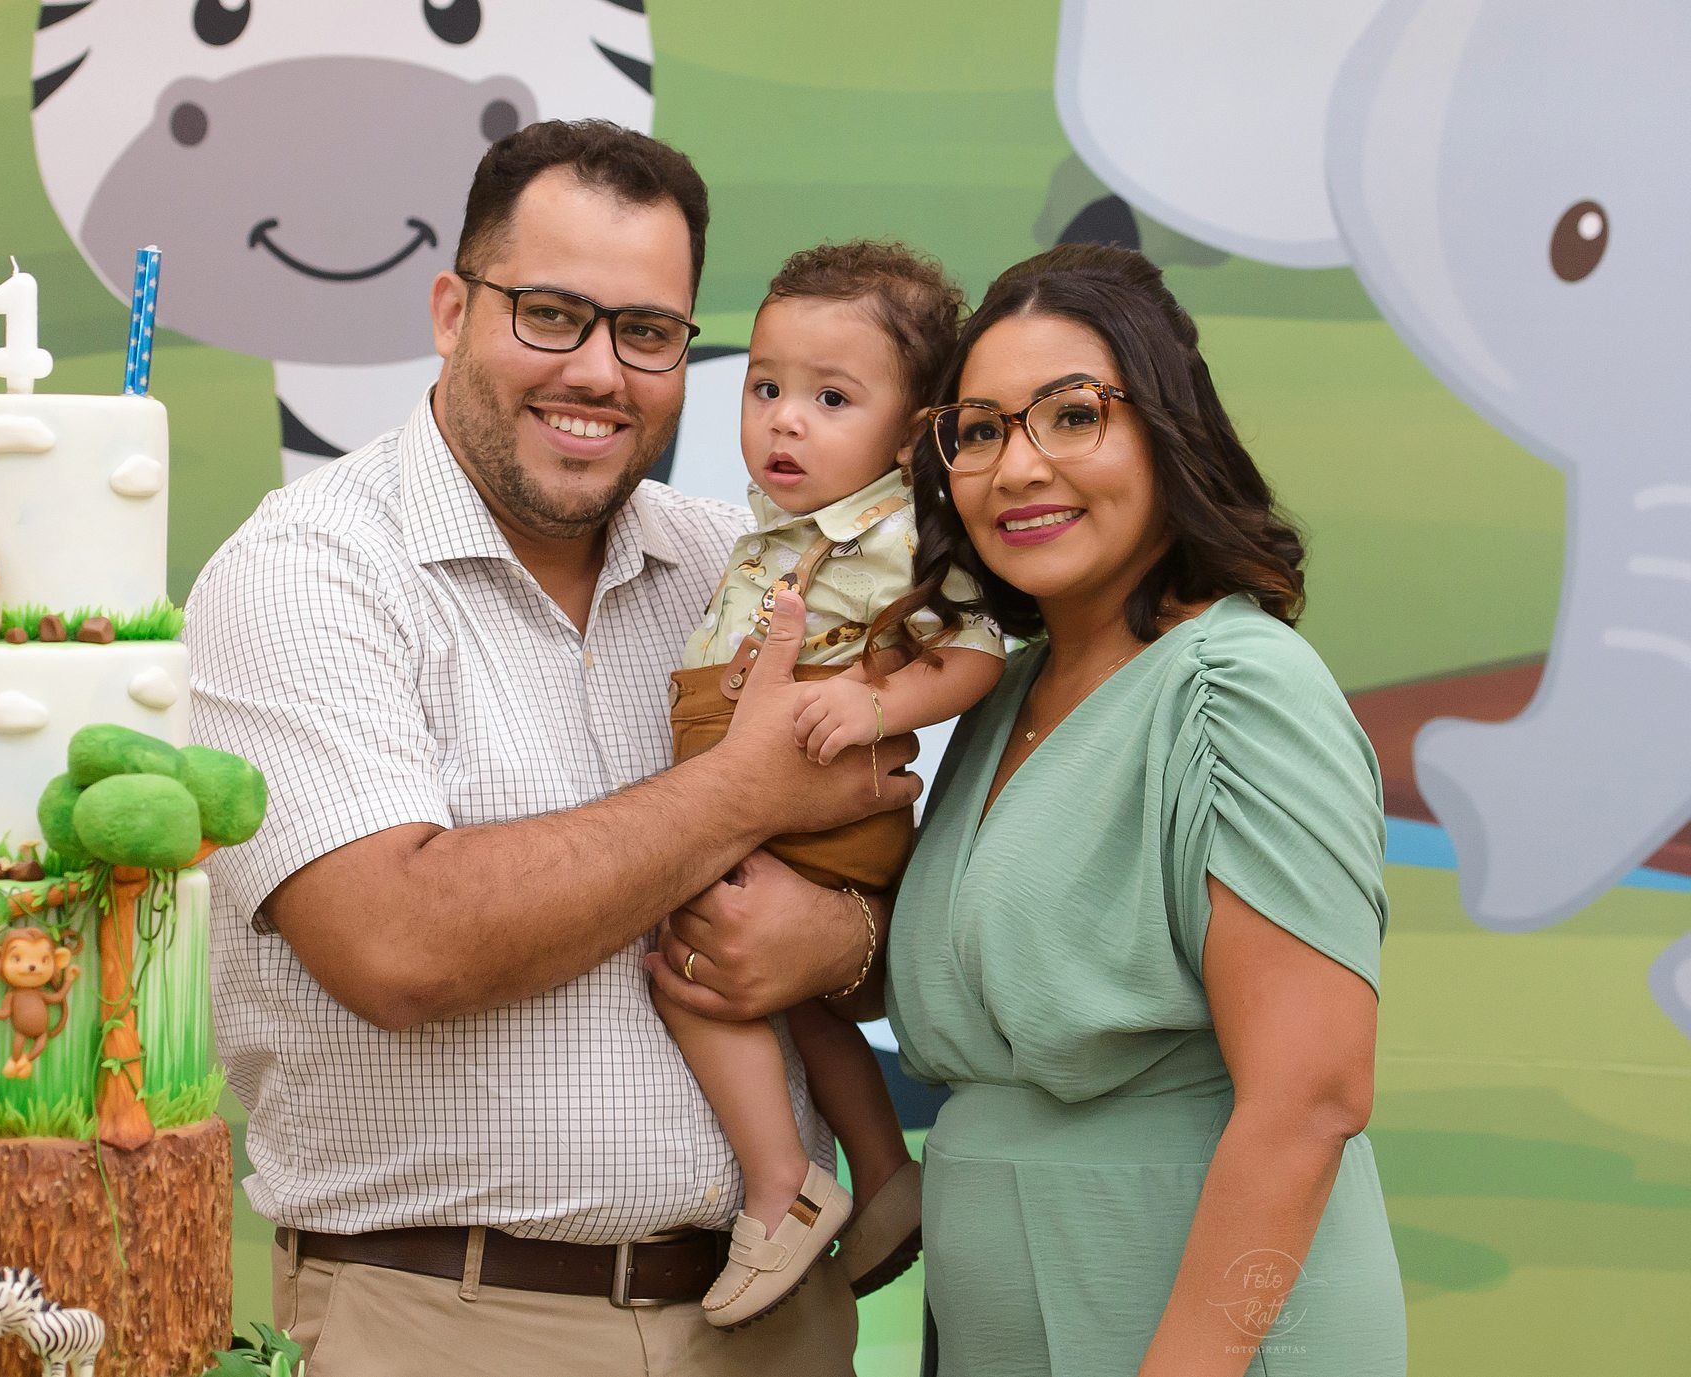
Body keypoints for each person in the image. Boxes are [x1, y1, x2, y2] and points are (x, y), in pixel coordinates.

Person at [185, 119, 918, 1377]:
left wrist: (834, 942)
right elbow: (397, 945)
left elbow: (886, 877)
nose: (598, 372)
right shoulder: (306, 573)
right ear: (451, 311)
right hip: (448, 1320)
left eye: (647, 333)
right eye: (551, 316)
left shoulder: (737, 568)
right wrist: (741, 790)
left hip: (775, 1322)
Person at [882, 243, 1408, 1375]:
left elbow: (1311, 1097)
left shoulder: (1235, 689)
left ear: (1169, 433)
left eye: (1073, 415)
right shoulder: (1002, 698)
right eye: (980, 430)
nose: (1018, 467)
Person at [655, 242, 1006, 1328]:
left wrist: (875, 704)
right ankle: (882, 1170)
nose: (785, 421)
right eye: (765, 388)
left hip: (815, 799)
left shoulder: (894, 534)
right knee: (795, 1000)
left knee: (690, 969)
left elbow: (976, 651)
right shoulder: (773, 531)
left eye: (831, 398)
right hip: (772, 792)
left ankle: (783, 1190)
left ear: (907, 435)